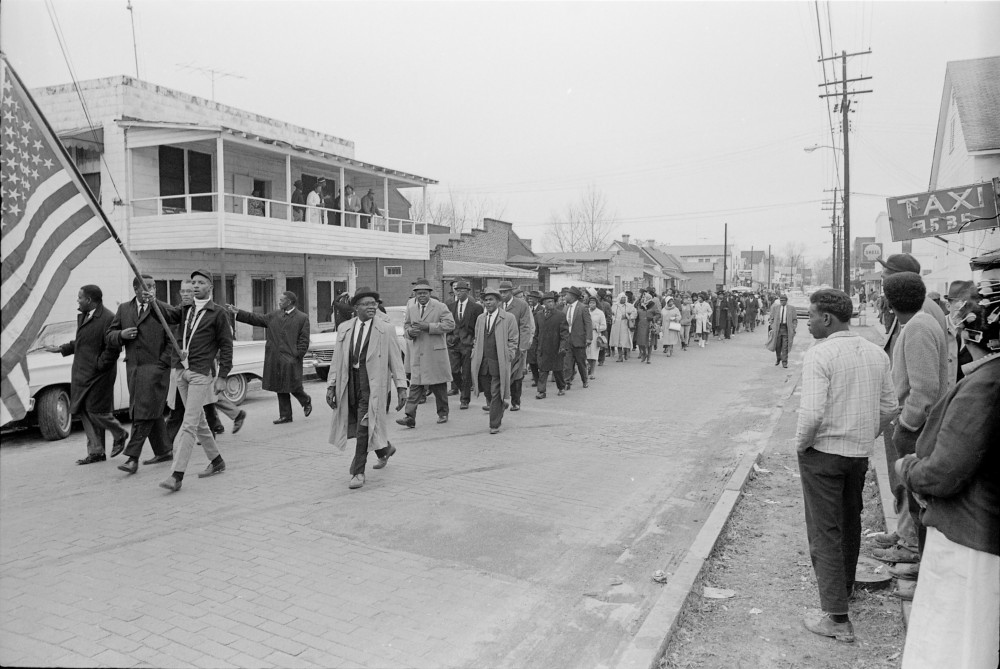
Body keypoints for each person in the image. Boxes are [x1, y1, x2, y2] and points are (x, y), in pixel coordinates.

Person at [896, 250, 999, 669]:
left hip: (971, 534)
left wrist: (908, 468)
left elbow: (947, 470)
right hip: (981, 532)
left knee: (955, 639)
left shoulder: (985, 386)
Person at [796, 289, 898, 644]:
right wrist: (864, 435)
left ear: (826, 318)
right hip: (856, 454)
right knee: (850, 520)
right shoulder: (875, 353)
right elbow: (890, 407)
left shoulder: (819, 355)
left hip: (823, 452)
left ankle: (837, 618)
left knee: (824, 530)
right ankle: (846, 589)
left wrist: (801, 444)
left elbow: (811, 414)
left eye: (810, 316)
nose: (807, 322)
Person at [873, 272, 949, 580]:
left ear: (890, 302)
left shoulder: (917, 327)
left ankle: (915, 554)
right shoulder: (920, 322)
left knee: (917, 496)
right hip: (918, 424)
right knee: (910, 493)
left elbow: (925, 390)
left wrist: (905, 424)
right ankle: (908, 542)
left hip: (917, 427)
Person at [156, 269, 232, 492]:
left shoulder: (218, 314)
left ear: (210, 287)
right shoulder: (185, 309)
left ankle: (176, 475)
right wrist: (154, 300)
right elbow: (167, 316)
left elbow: (226, 346)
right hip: (182, 370)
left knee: (188, 424)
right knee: (198, 421)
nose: (195, 286)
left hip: (200, 372)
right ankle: (217, 460)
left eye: (200, 283)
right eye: (193, 283)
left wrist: (223, 376)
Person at [326, 287, 407, 490]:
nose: (372, 307)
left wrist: (401, 386)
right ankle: (384, 449)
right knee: (355, 421)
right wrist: (331, 385)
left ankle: (357, 472)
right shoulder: (344, 328)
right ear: (356, 307)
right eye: (367, 304)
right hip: (349, 382)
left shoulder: (385, 329)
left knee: (363, 427)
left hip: (372, 384)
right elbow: (336, 360)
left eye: (375, 303)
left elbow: (395, 359)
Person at [45, 285, 127, 465]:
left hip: (100, 374)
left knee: (96, 410)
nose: (78, 301)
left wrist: (100, 364)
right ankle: (96, 451)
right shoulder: (84, 316)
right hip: (82, 373)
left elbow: (113, 347)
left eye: (80, 297)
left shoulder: (108, 318)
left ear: (89, 300)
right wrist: (61, 348)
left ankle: (119, 433)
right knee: (84, 410)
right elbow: (83, 341)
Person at [106, 274, 173, 475]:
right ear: (136, 289)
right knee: (149, 409)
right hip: (134, 370)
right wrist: (121, 335)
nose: (150, 290)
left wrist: (162, 363)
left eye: (153, 287)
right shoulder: (124, 309)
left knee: (142, 412)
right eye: (146, 287)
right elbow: (109, 335)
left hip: (156, 370)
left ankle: (132, 457)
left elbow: (173, 339)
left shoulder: (163, 309)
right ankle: (163, 450)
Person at [229, 291, 312, 425]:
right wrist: (238, 312)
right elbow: (256, 318)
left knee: (293, 385)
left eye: (281, 300)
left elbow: (304, 340)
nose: (279, 302)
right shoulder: (274, 315)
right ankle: (285, 416)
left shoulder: (302, 318)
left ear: (289, 302)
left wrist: (297, 355)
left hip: (291, 358)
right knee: (280, 386)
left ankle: (305, 400)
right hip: (275, 357)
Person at [397, 278, 455, 428]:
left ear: (430, 294)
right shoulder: (411, 307)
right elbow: (406, 325)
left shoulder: (440, 307)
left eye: (424, 293)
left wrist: (428, 327)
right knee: (415, 386)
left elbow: (450, 325)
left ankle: (443, 413)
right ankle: (409, 416)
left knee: (439, 386)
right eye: (419, 293)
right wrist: (410, 332)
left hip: (435, 353)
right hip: (418, 353)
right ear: (415, 295)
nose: (422, 296)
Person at [471, 288, 518, 434]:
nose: (488, 302)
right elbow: (477, 339)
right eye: (485, 300)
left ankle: (494, 424)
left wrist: (509, 355)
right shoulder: (481, 319)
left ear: (498, 302)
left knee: (496, 391)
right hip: (483, 362)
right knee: (488, 392)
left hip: (499, 361)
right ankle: (499, 406)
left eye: (491, 299)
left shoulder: (508, 318)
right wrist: (474, 352)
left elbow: (513, 339)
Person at [447, 280, 483, 410]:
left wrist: (475, 340)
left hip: (468, 344)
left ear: (467, 292)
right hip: (453, 343)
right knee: (453, 370)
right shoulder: (450, 306)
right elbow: (447, 323)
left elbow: (479, 326)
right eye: (457, 290)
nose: (458, 293)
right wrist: (449, 337)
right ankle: (463, 389)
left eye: (462, 290)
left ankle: (465, 399)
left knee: (467, 373)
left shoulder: (476, 308)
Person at [498, 281, 534, 410]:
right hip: (500, 344)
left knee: (516, 374)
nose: (502, 294)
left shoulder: (521, 305)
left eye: (505, 292)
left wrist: (523, 346)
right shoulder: (497, 304)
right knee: (501, 373)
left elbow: (525, 326)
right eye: (501, 292)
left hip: (516, 345)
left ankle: (515, 401)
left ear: (511, 291)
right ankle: (500, 401)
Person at [533, 292, 569, 398]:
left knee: (557, 370)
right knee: (543, 370)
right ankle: (541, 391)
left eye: (552, 301)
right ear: (543, 303)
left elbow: (564, 333)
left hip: (556, 348)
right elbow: (536, 333)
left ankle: (561, 387)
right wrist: (535, 347)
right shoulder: (538, 315)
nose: (551, 303)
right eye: (548, 302)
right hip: (543, 348)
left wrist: (562, 346)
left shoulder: (560, 315)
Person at [561, 286, 592, 387]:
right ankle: (567, 382)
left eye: (567, 295)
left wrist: (588, 338)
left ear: (573, 296)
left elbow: (588, 323)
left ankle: (585, 380)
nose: (565, 297)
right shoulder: (565, 308)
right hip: (567, 340)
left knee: (580, 362)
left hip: (579, 339)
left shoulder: (583, 307)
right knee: (567, 363)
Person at [768, 294, 797, 368]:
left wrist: (793, 327)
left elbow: (794, 320)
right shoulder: (776, 308)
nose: (782, 302)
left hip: (786, 329)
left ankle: (784, 362)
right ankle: (778, 358)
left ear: (786, 301)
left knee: (785, 346)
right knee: (777, 345)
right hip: (778, 329)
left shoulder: (791, 308)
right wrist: (772, 325)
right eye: (781, 300)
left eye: (783, 301)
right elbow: (771, 318)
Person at [610, 292, 636, 362]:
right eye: (622, 298)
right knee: (618, 341)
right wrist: (614, 318)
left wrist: (628, 316)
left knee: (625, 340)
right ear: (619, 299)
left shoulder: (629, 306)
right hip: (616, 325)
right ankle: (620, 356)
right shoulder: (615, 306)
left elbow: (634, 313)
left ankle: (626, 352)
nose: (624, 300)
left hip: (625, 325)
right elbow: (611, 314)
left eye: (625, 298)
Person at [525, 290, 544, 386]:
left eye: (532, 298)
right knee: (532, 360)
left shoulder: (541, 309)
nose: (530, 300)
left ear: (537, 299)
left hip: (540, 338)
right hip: (531, 338)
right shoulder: (528, 309)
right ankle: (536, 379)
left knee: (539, 360)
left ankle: (541, 380)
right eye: (529, 298)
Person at [585, 296, 606, 379]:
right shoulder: (586, 311)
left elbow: (604, 326)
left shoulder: (600, 313)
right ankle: (588, 369)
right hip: (586, 334)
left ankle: (593, 372)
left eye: (593, 303)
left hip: (595, 334)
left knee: (593, 354)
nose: (591, 304)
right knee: (586, 354)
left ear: (596, 304)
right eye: (590, 303)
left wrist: (596, 327)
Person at [634, 299, 658, 363]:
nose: (644, 299)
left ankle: (649, 357)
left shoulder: (653, 305)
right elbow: (636, 315)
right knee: (641, 342)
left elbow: (658, 314)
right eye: (643, 298)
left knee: (649, 343)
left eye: (646, 298)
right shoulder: (639, 305)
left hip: (649, 326)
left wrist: (653, 318)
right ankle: (644, 353)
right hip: (640, 326)